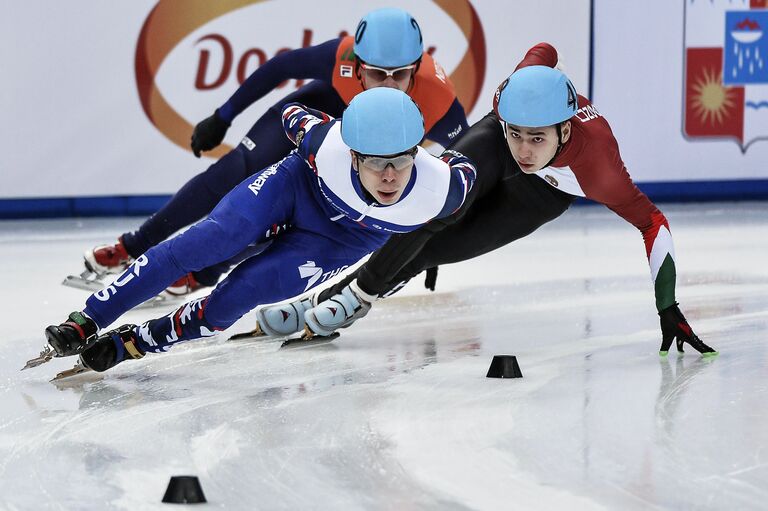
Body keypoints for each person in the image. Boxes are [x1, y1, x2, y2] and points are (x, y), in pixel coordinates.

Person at [260, 43, 717, 357]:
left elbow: (652, 222)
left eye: (536, 139)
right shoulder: (513, 118)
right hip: (488, 139)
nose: (524, 149)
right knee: (429, 211)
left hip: (545, 193)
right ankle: (337, 298)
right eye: (518, 133)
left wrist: (668, 305)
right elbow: (543, 51)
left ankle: (342, 299)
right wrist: (503, 135)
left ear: (565, 129)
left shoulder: (598, 169)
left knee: (432, 248)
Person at [43, 88, 476, 372]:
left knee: (239, 297)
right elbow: (290, 113)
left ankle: (134, 343)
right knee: (210, 241)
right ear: (352, 155)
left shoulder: (441, 189)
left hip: (340, 240)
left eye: (401, 160)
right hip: (297, 188)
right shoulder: (326, 143)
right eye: (376, 162)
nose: (390, 176)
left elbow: (476, 165)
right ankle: (87, 320)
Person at [83, 7, 469, 295]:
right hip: (320, 113)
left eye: (399, 75)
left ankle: (203, 274)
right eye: (374, 73)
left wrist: (430, 241)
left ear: (417, 67)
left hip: (360, 157)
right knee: (229, 174)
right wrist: (223, 117)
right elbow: (279, 67)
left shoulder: (439, 100)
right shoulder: (342, 56)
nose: (386, 84)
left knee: (300, 220)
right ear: (357, 63)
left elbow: (463, 168)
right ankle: (133, 245)